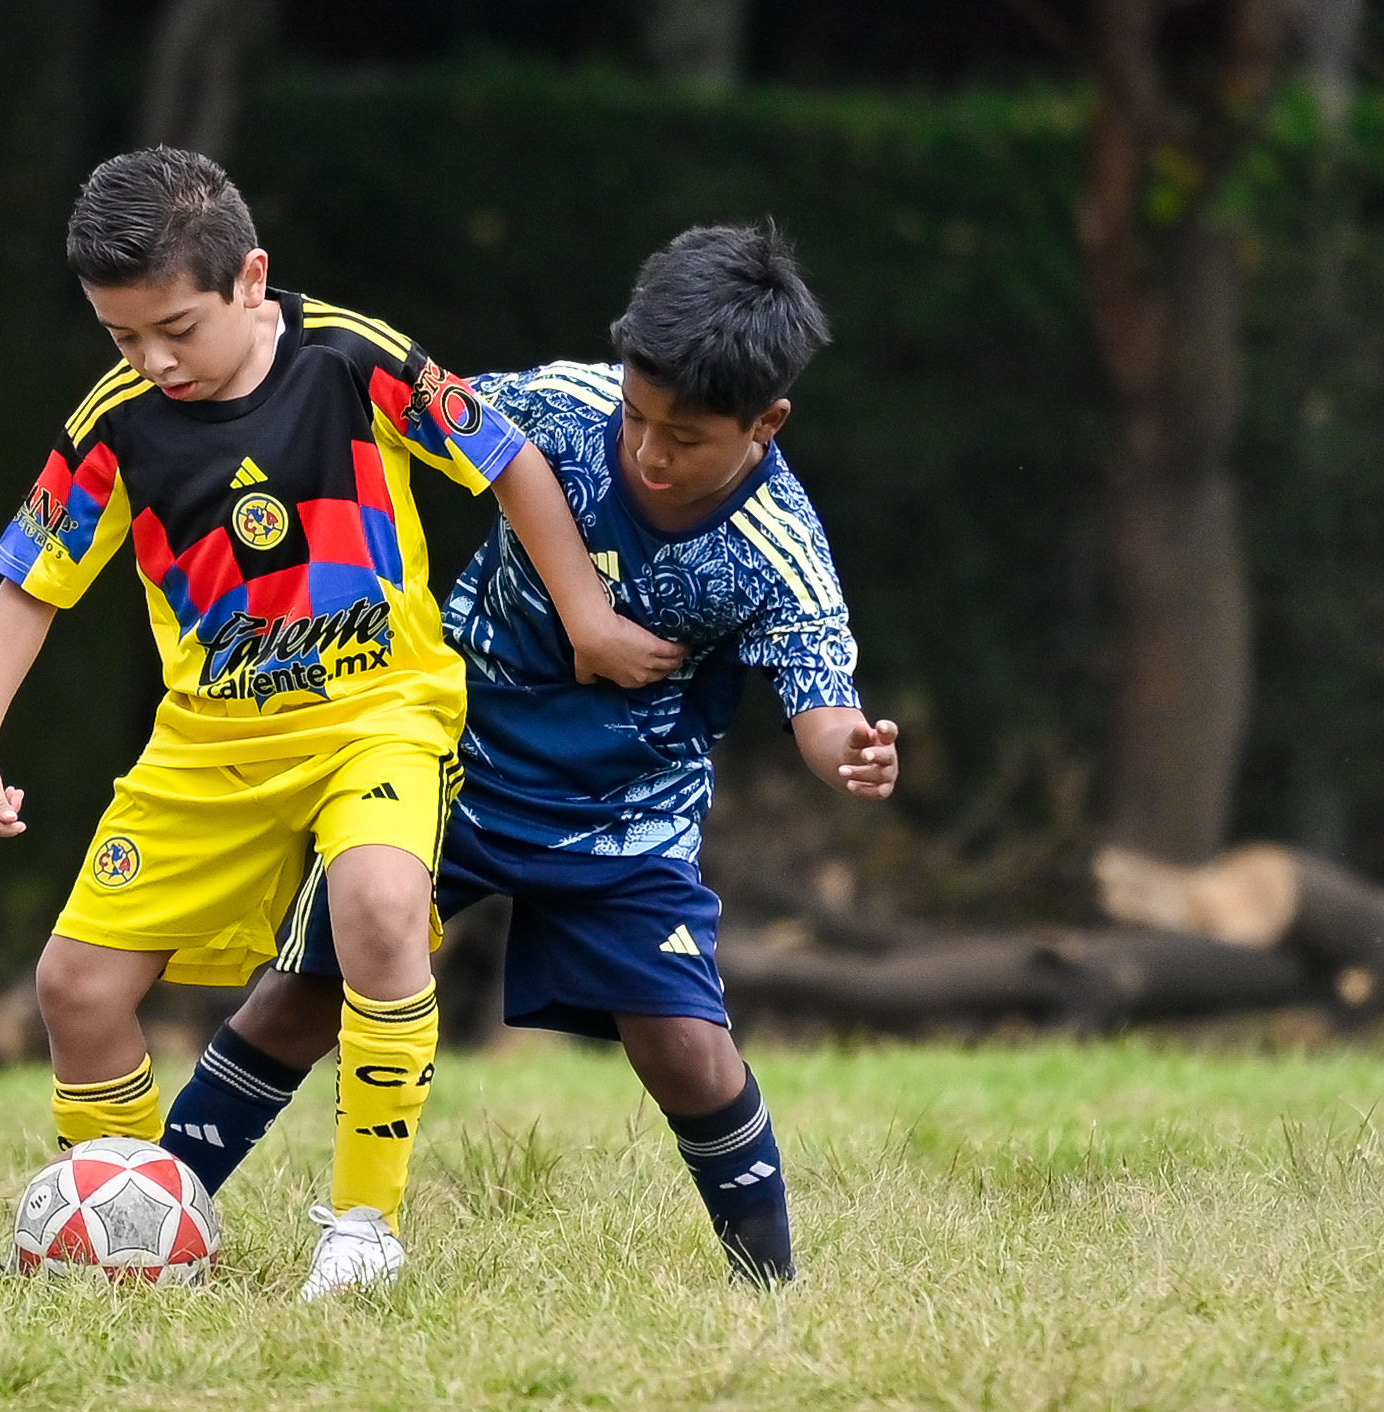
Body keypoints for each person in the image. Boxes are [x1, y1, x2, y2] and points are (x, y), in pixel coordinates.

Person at [0, 147, 681, 1299]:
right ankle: (130, 1248)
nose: (151, 361)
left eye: (175, 330)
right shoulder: (114, 425)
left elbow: (509, 460)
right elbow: (30, 586)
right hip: (208, 747)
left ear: (250, 278)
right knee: (75, 989)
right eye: (120, 338)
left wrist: (586, 618)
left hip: (377, 717)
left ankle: (363, 1229)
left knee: (382, 905)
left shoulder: (355, 360)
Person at [156, 221, 900, 1286]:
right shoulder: (560, 402)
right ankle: (152, 1213)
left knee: (683, 1047)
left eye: (685, 438)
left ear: (765, 423)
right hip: (443, 757)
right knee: (300, 994)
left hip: (623, 811)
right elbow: (410, 415)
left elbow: (820, 698)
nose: (648, 451)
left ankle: (770, 1285)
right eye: (637, 415)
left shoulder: (777, 547)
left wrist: (849, 751)